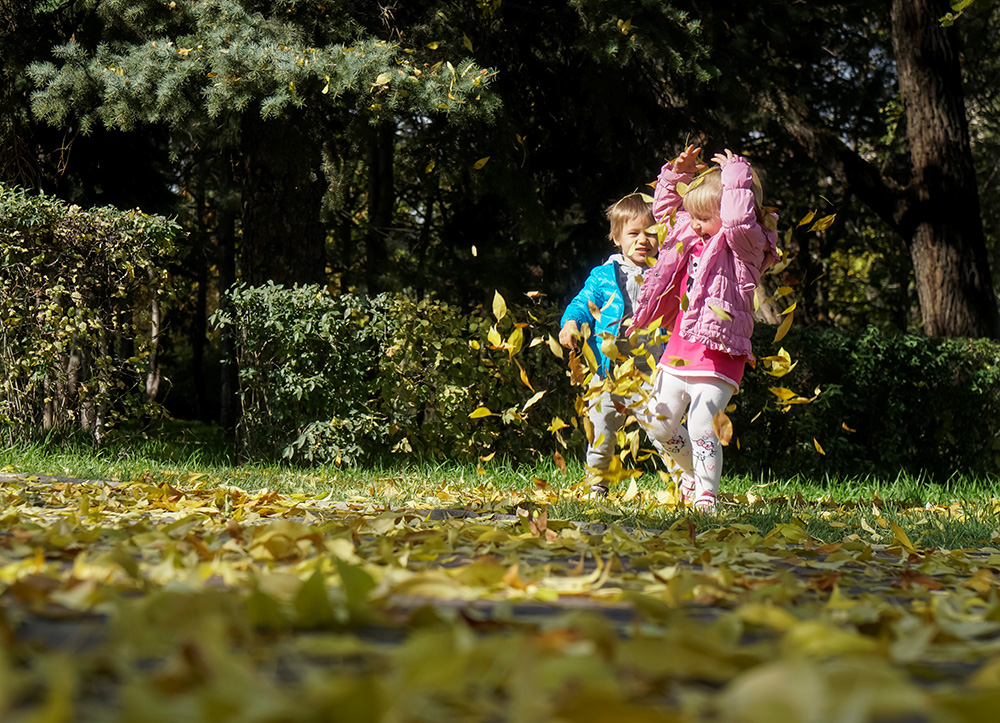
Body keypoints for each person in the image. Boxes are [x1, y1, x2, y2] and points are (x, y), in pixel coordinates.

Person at [628, 145, 779, 511]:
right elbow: (665, 211)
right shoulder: (688, 233)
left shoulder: (743, 248)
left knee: (700, 426)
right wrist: (676, 175)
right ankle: (693, 476)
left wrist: (736, 177)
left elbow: (738, 220)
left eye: (703, 217)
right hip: (680, 350)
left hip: (720, 354)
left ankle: (707, 494)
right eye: (691, 215)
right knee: (656, 421)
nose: (693, 223)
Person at [558, 194, 667, 498]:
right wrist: (571, 323)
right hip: (608, 373)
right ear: (617, 237)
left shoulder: (665, 274)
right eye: (634, 233)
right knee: (601, 431)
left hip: (652, 373)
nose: (643, 240)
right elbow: (583, 303)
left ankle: (686, 485)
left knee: (665, 432)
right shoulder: (605, 276)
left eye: (651, 232)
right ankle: (596, 485)